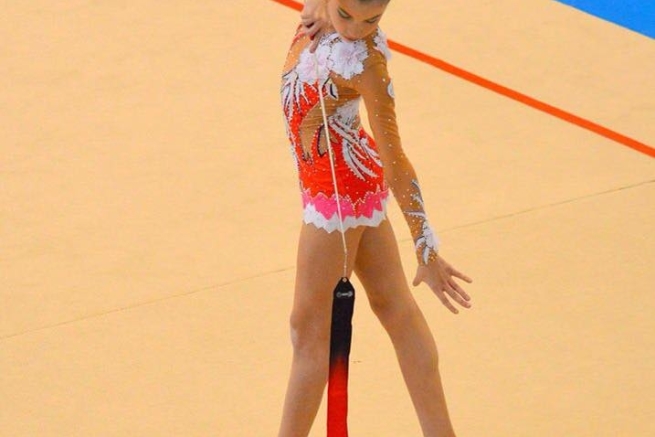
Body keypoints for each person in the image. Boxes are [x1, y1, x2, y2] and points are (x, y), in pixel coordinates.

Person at [278, 1, 473, 436]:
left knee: (307, 334)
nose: (356, 31)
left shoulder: (366, 64)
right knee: (394, 308)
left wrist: (425, 244)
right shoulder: (320, 11)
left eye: (373, 20)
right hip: (343, 185)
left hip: (336, 199)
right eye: (347, 15)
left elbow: (396, 162)